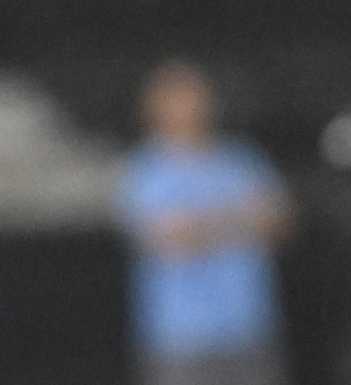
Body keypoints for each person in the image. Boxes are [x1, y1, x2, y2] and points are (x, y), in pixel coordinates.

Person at [118, 60, 294, 385]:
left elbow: (279, 223)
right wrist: (241, 219)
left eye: (195, 93)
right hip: (182, 339)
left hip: (249, 328)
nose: (190, 103)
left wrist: (208, 224)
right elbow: (171, 240)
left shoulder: (243, 159)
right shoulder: (145, 170)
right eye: (177, 95)